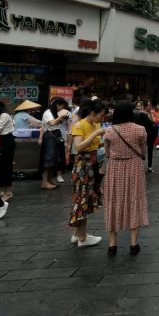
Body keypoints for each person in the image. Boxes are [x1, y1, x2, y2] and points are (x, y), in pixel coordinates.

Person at [102, 101, 149, 256]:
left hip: (115, 169)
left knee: (113, 201)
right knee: (134, 200)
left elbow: (107, 153)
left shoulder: (109, 131)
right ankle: (133, 244)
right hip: (134, 168)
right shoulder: (140, 130)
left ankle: (112, 244)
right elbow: (143, 151)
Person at [69, 99, 106, 248]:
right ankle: (82, 238)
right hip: (82, 165)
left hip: (93, 163)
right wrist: (96, 134)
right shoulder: (80, 125)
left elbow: (96, 144)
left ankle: (77, 233)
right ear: (92, 113)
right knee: (82, 199)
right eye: (101, 115)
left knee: (86, 199)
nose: (102, 119)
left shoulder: (95, 124)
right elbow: (78, 147)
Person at [40, 98, 71, 190]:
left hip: (56, 135)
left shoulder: (54, 113)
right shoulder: (47, 113)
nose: (61, 109)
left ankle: (49, 180)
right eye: (61, 106)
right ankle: (44, 182)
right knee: (48, 159)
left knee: (54, 159)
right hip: (49, 137)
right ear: (57, 105)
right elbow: (52, 123)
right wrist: (61, 118)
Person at [0, 100, 15, 201]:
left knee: (6, 166)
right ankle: (0, 189)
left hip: (6, 141)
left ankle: (8, 191)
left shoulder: (5, 115)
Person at [134, 106, 157, 173]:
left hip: (147, 135)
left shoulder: (138, 116)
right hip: (149, 135)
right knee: (149, 151)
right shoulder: (144, 115)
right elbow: (153, 125)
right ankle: (149, 167)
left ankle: (142, 166)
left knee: (141, 151)